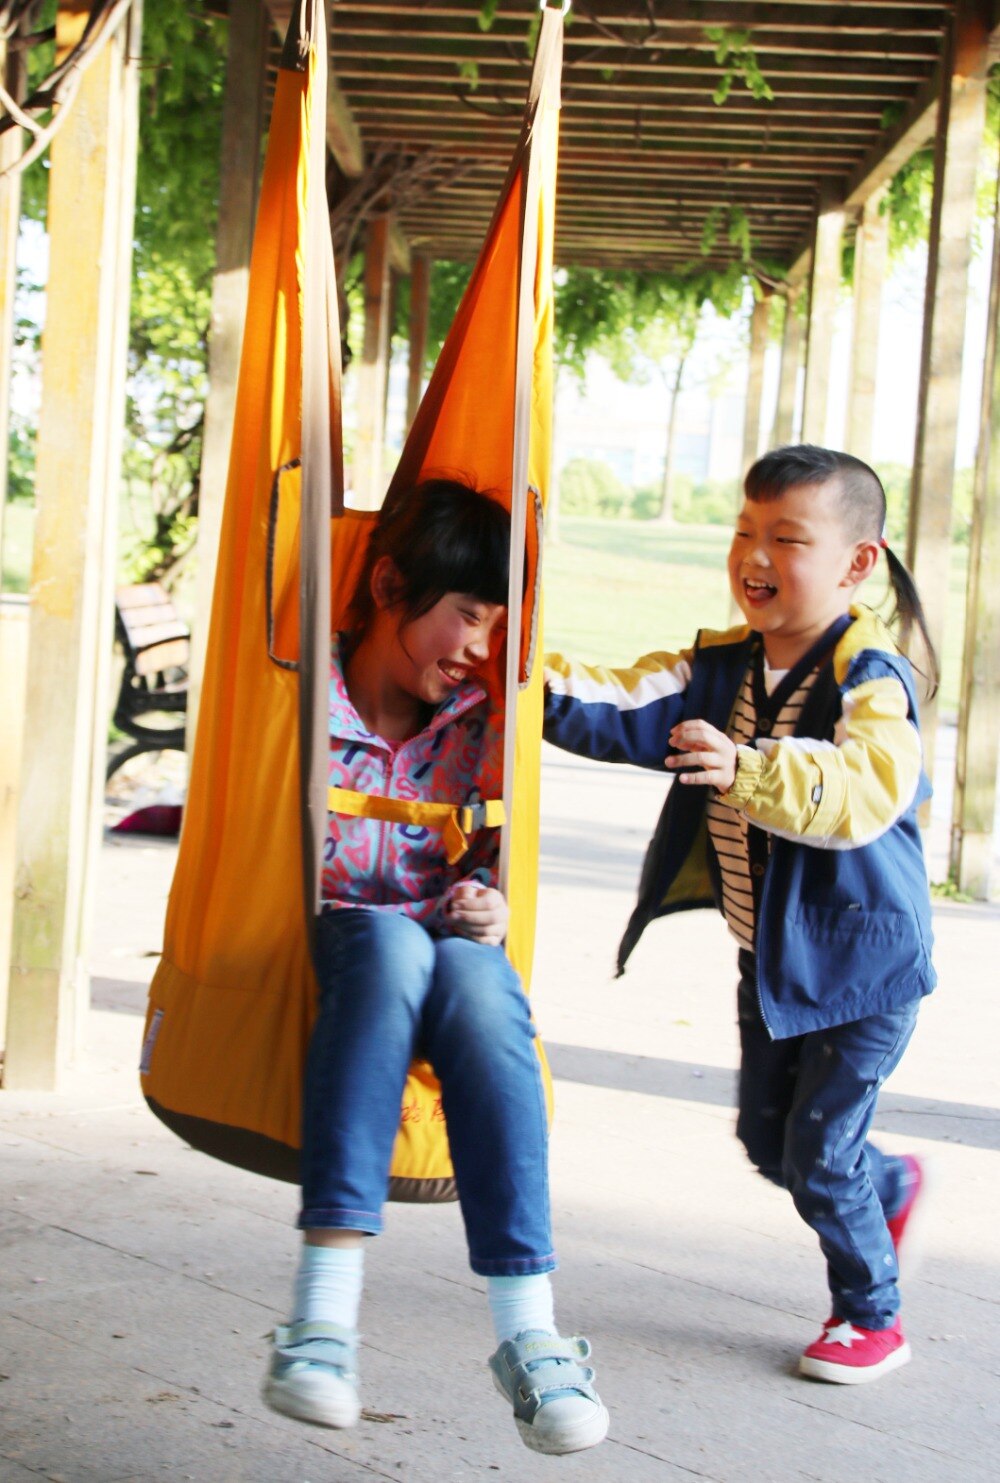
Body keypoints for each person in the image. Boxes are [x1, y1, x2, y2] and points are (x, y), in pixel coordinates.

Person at [543, 445, 937, 1385]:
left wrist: (751, 766)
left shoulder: (871, 674)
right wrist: (509, 673)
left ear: (856, 564)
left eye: (788, 538)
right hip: (766, 958)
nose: (756, 555)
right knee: (770, 1141)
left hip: (864, 966)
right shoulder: (718, 668)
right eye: (745, 532)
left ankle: (870, 1313)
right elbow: (613, 703)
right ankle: (892, 1183)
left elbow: (865, 786)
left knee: (816, 1151)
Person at [263, 478, 609, 1455]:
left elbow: (480, 860)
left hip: (438, 951)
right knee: (388, 939)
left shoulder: (478, 724)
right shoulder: (297, 696)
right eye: (464, 615)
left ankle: (531, 1336)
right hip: (343, 937)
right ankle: (320, 1323)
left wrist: (485, 900)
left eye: (495, 625)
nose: (475, 648)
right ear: (385, 584)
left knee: (479, 978)